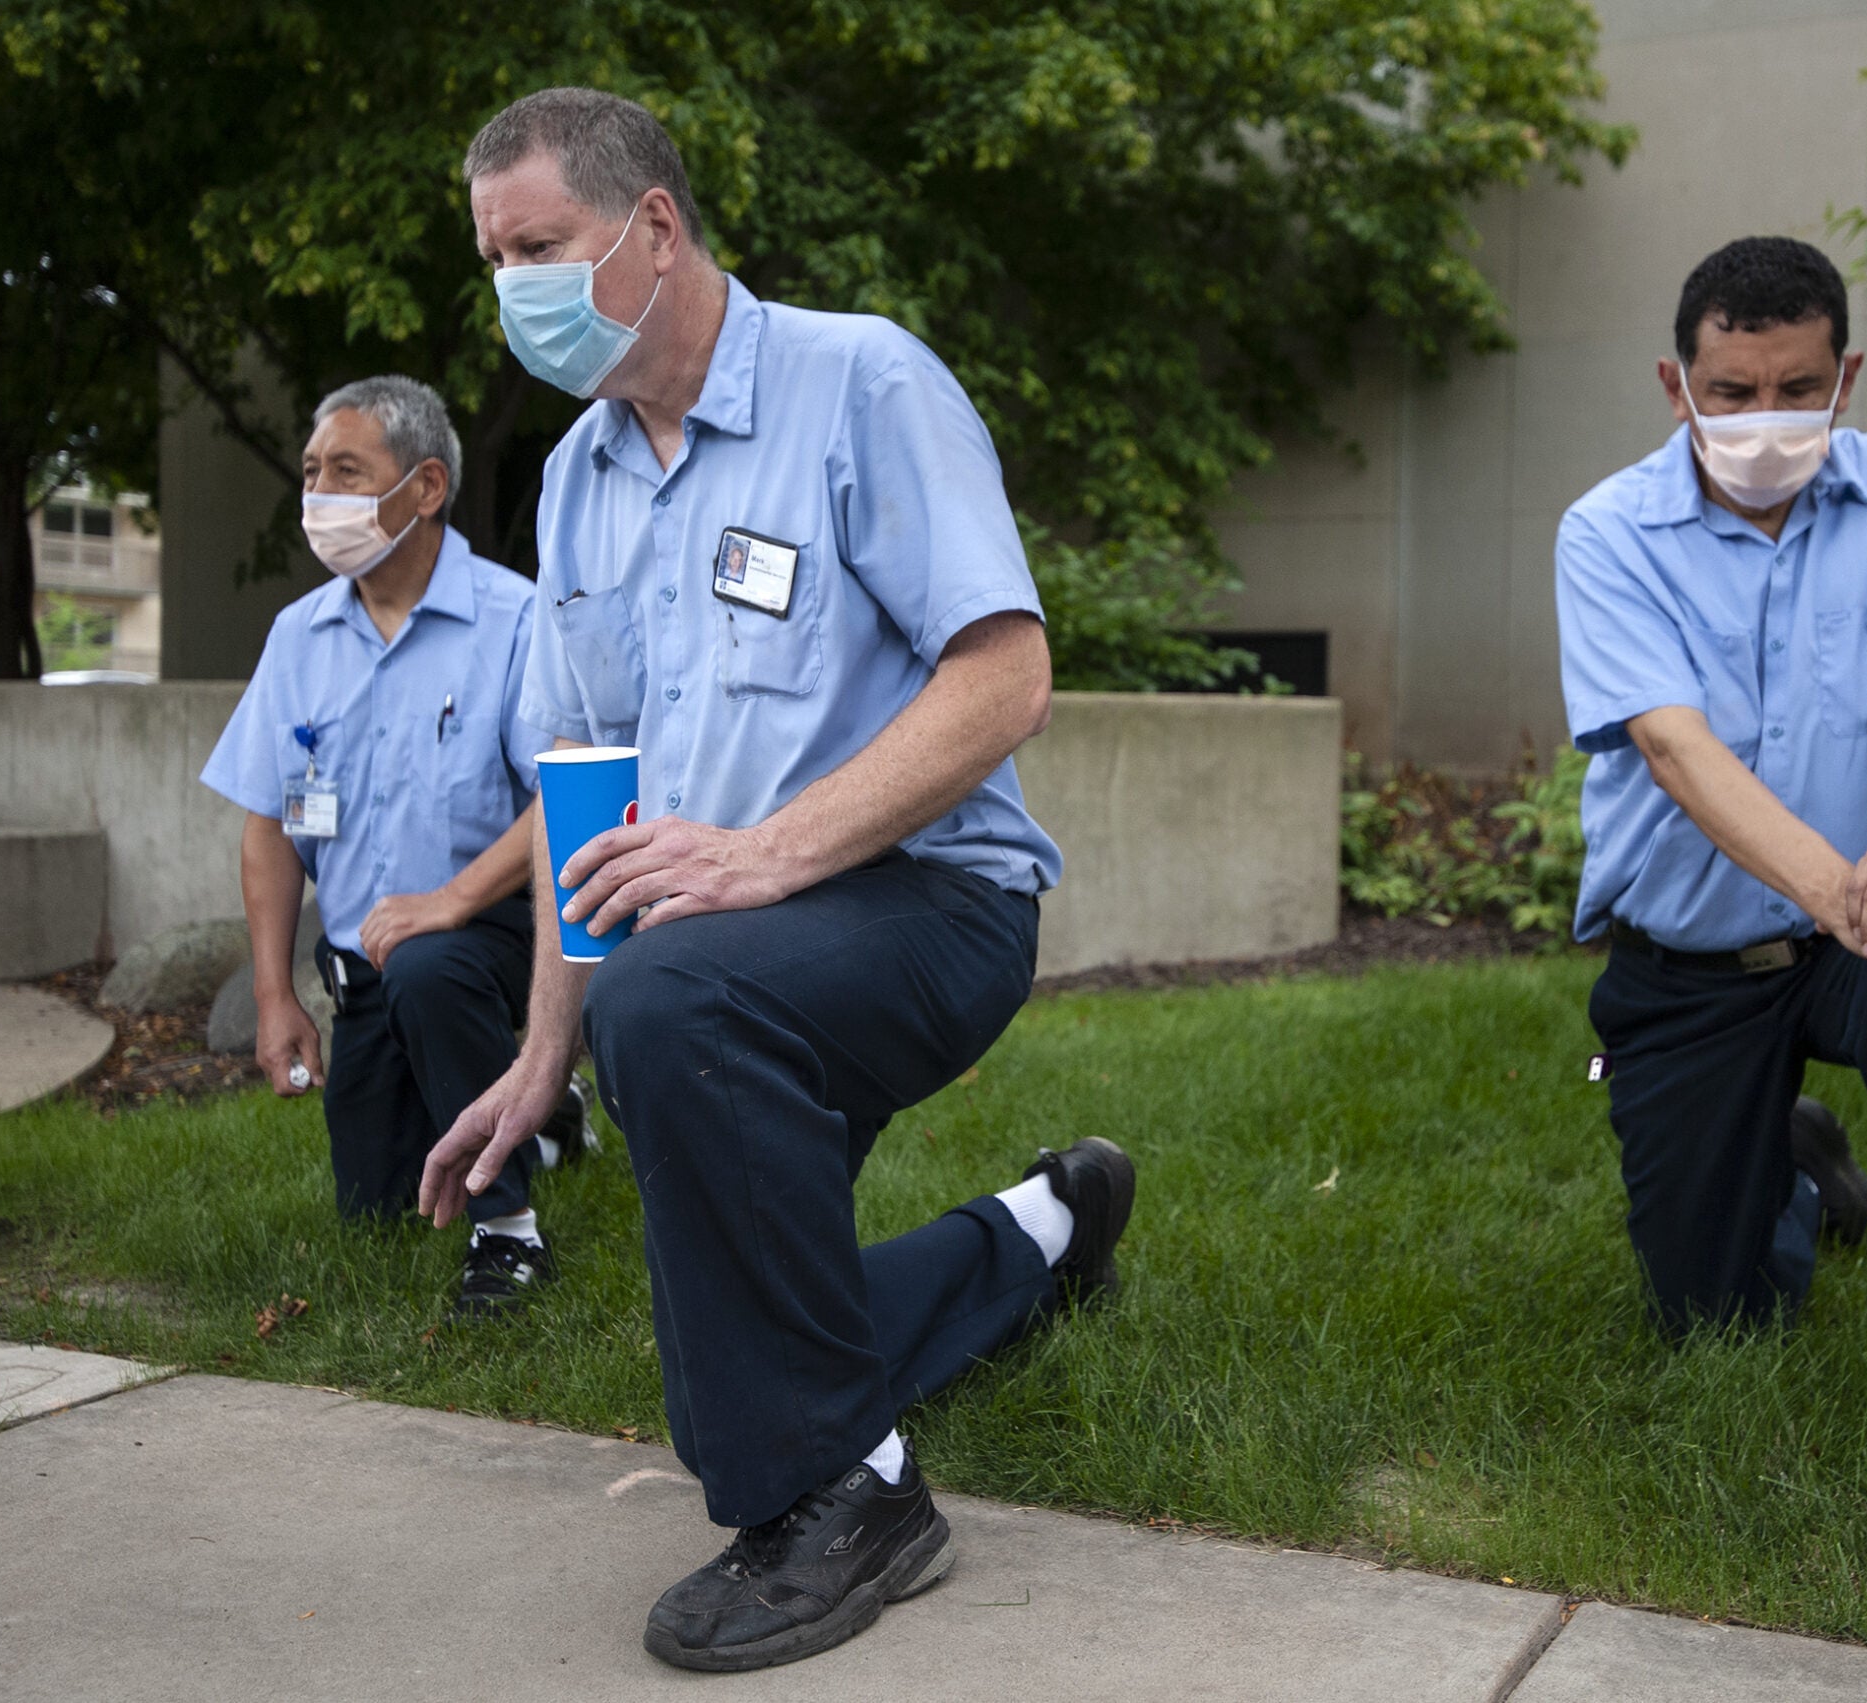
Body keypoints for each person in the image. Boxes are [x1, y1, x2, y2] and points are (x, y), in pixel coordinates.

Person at [419, 89, 1137, 1672]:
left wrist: (760, 854)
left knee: (673, 1021)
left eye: (537, 247)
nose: (513, 290)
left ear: (652, 226)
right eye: (493, 260)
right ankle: (1046, 1224)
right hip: (724, 946)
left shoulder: (862, 381)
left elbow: (1005, 677)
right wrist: (541, 1052)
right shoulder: (578, 476)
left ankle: (856, 1494)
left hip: (932, 900)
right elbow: (585, 791)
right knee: (739, 1335)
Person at [1553, 237, 1867, 1526]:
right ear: (1677, 385)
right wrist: (1854, 892)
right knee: (1713, 1315)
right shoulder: (1606, 532)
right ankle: (1803, 1166)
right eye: (1731, 391)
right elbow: (1677, 749)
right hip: (1692, 963)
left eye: (1796, 389)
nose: (1763, 418)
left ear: (1846, 378)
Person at [201, 375, 596, 1318]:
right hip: (368, 964)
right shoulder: (299, 636)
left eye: (346, 470)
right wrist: (273, 993)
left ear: (426, 487)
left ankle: (509, 1235)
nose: (319, 494)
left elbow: (564, 794)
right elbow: (269, 825)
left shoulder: (514, 618)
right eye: (311, 472)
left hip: (492, 930)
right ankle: (547, 1113)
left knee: (431, 968)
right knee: (377, 1205)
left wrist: (451, 900)